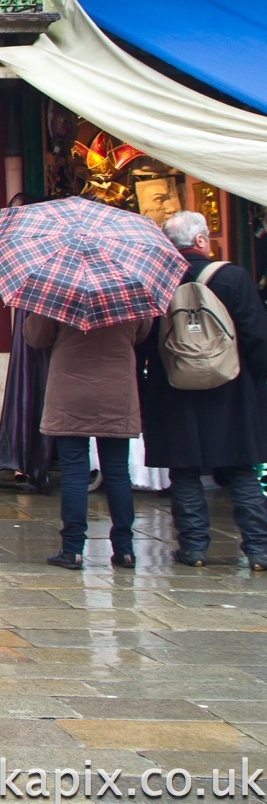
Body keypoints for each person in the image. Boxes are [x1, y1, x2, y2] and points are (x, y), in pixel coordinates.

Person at [141, 210, 267, 570]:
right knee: (242, 470)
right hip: (231, 387)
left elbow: (148, 342)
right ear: (200, 241)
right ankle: (258, 549)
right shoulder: (234, 278)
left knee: (184, 472)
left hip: (174, 389)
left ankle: (194, 548)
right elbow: (258, 337)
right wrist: (256, 382)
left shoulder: (157, 280)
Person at [24, 307, 151, 570]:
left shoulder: (60, 292)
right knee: (117, 473)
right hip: (117, 390)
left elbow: (36, 337)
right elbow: (142, 333)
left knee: (74, 472)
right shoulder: (128, 293)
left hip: (71, 391)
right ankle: (125, 549)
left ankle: (73, 550)